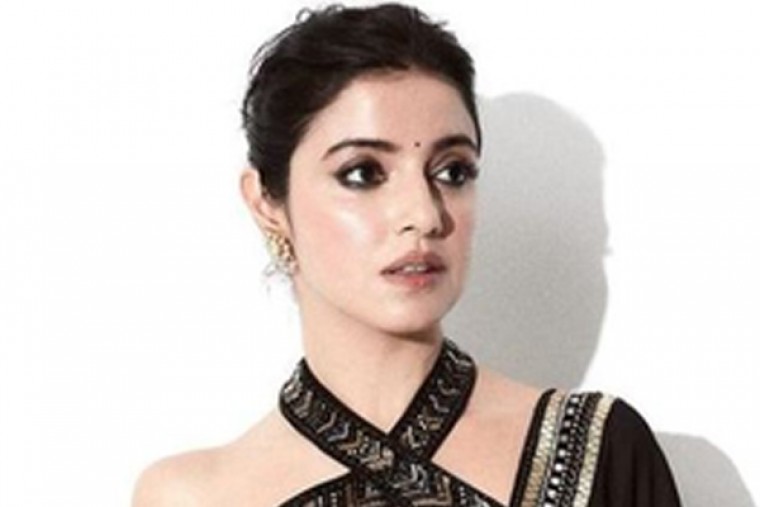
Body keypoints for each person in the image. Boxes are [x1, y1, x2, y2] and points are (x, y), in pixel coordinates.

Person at [133, 3, 682, 506]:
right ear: (266, 203)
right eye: (362, 173)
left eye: (452, 172)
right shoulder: (193, 496)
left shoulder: (600, 450)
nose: (424, 214)